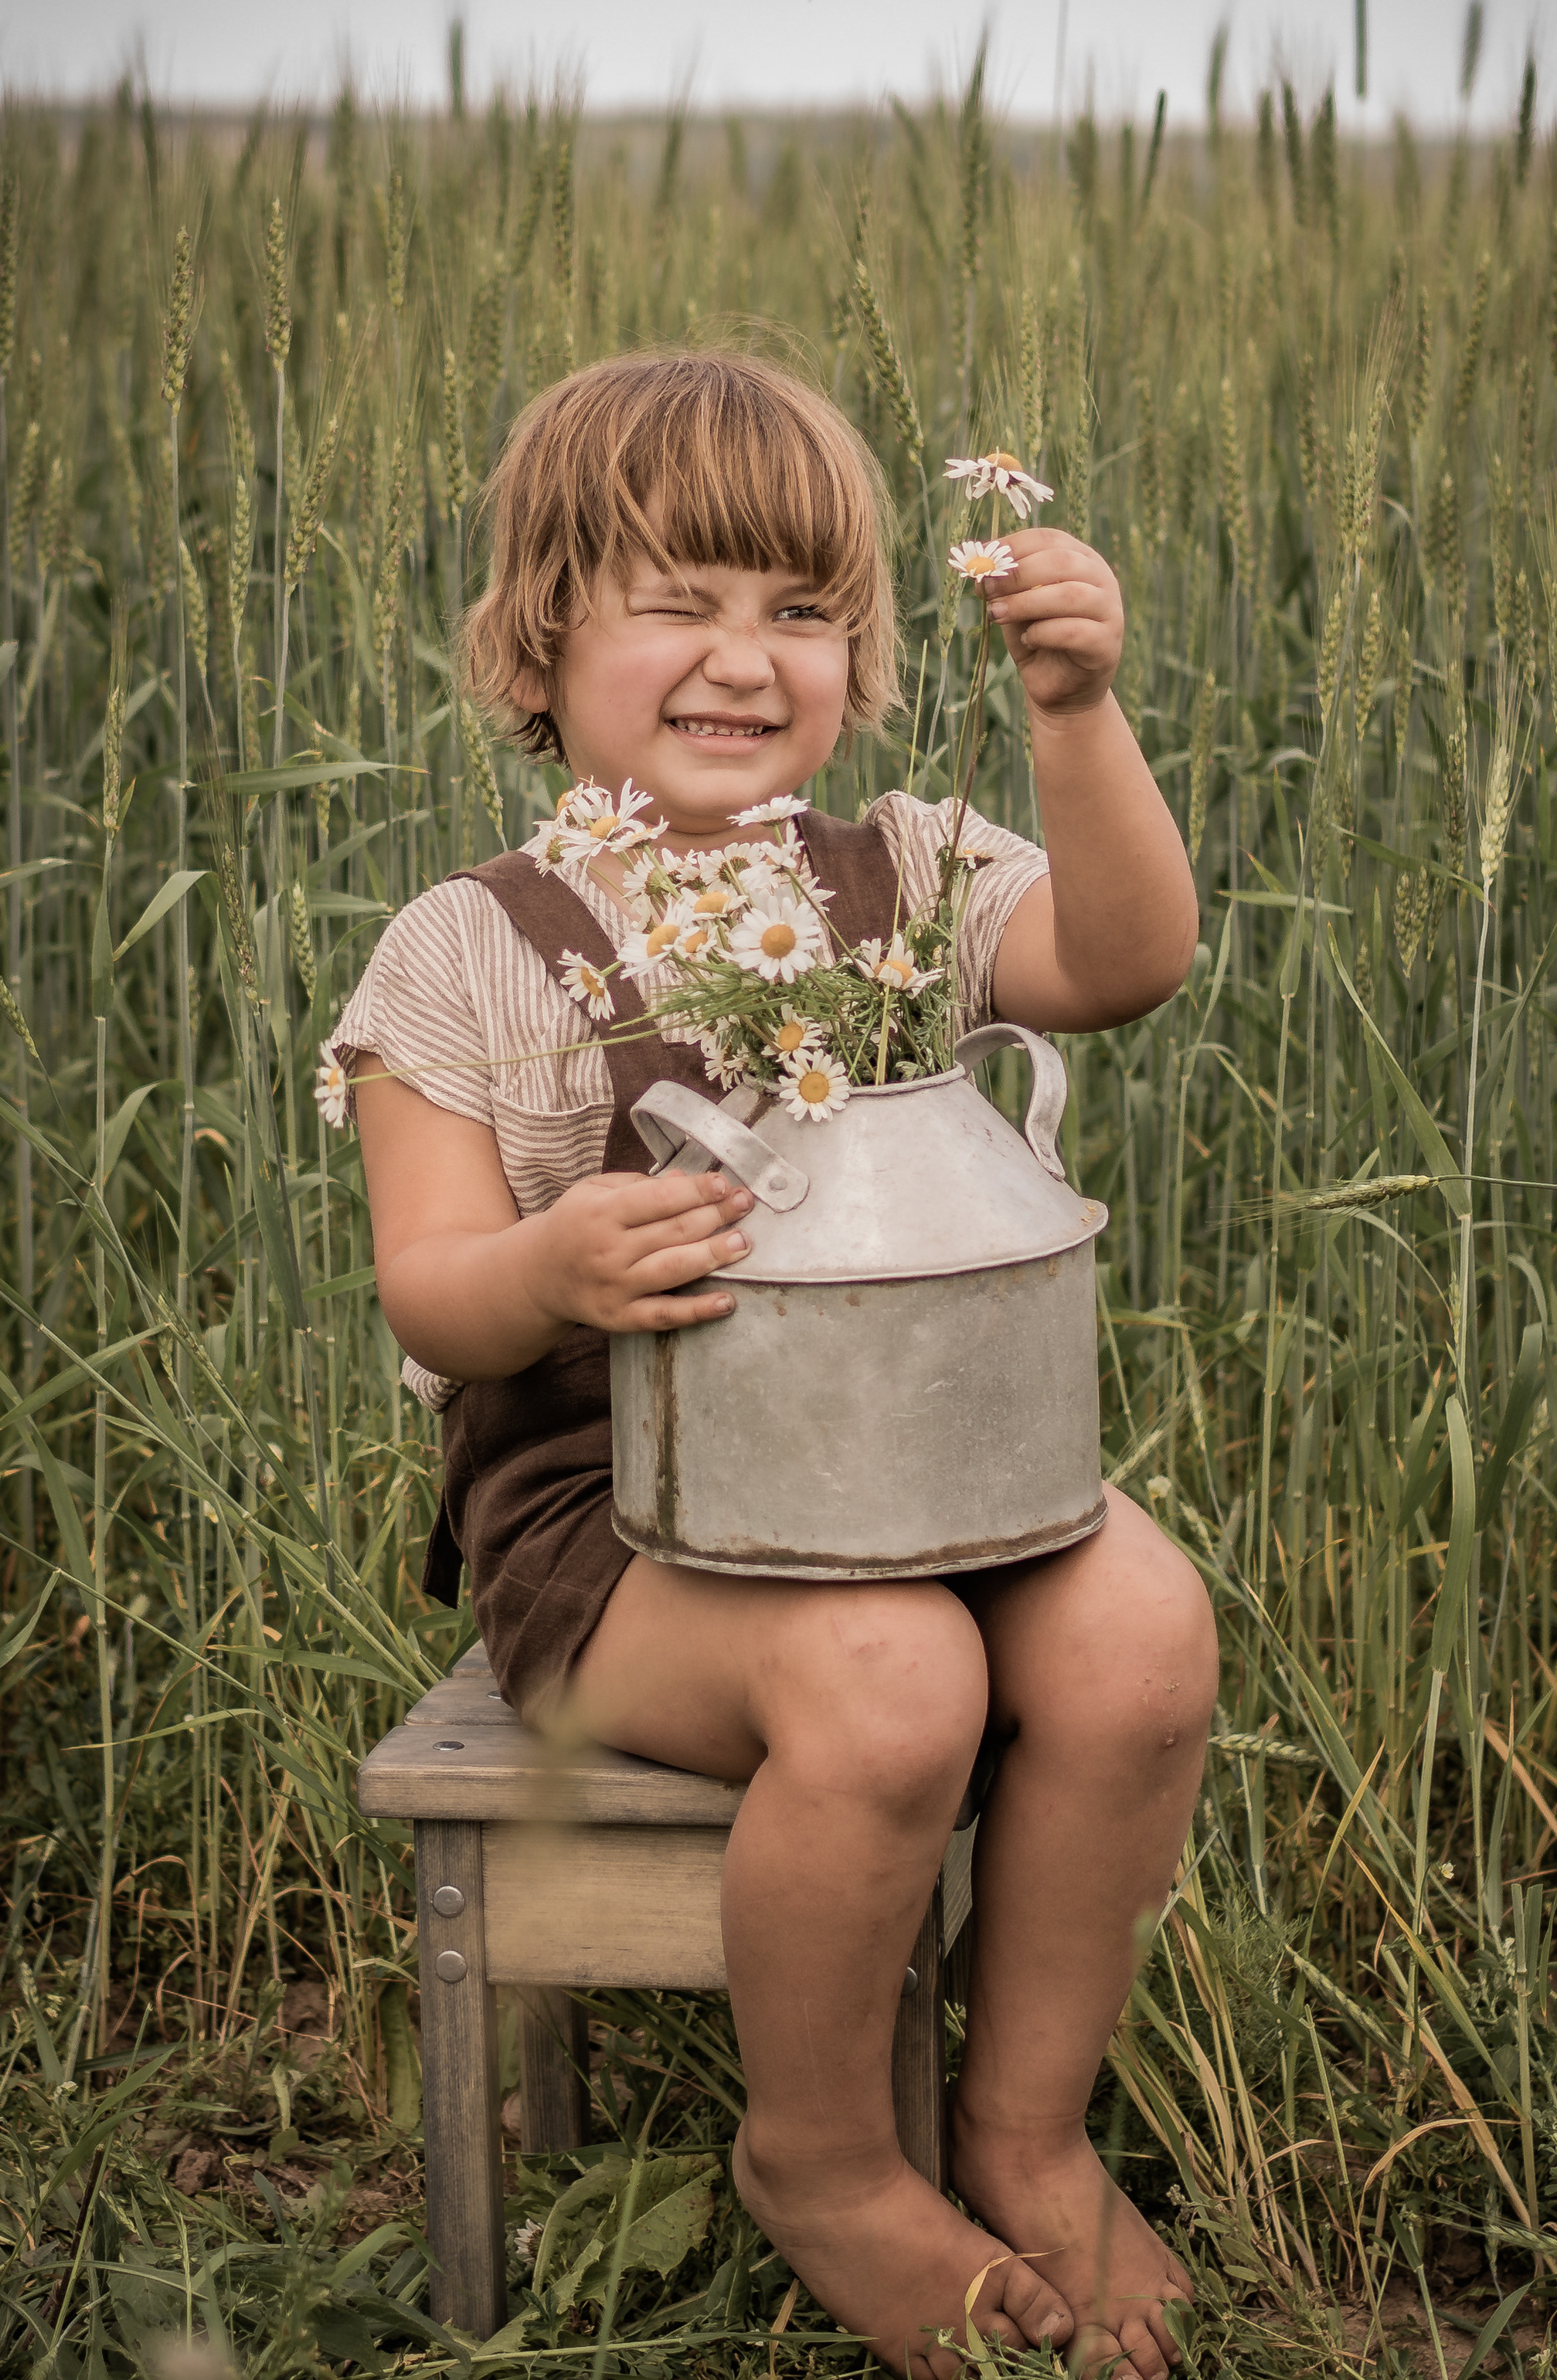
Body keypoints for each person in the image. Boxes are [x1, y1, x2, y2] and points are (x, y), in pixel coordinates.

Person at [337, 349, 1218, 2380]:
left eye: (804, 612)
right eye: (681, 598)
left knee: (1147, 1631)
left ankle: (1023, 2120)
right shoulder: (467, 951)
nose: (750, 657)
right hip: (624, 1532)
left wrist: (1074, 715)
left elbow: (1124, 962)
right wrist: (548, 1267)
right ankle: (820, 2156)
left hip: (934, 1463)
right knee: (888, 1672)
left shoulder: (897, 882)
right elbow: (430, 1291)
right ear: (538, 638)